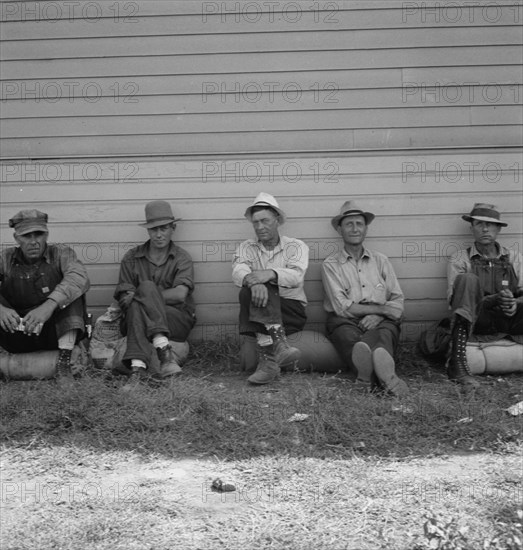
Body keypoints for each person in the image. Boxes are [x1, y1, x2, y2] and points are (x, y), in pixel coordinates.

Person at [321, 200, 408, 396]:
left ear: (365, 229)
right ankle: (384, 377)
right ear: (340, 230)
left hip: (382, 319)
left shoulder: (381, 261)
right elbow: (342, 306)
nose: (354, 229)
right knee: (350, 339)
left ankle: (367, 378)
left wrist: (380, 316)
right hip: (346, 319)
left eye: (359, 224)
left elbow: (397, 301)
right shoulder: (331, 264)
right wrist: (381, 310)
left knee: (384, 334)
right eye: (348, 224)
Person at [114, 200, 196, 388]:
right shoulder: (131, 257)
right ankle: (163, 352)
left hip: (175, 319)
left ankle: (136, 370)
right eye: (153, 229)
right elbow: (124, 299)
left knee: (145, 290)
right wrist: (139, 297)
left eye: (164, 228)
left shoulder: (182, 258)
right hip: (134, 320)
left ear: (172, 228)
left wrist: (143, 294)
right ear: (148, 231)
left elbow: (180, 295)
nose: (159, 235)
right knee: (136, 305)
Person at [0, 209, 90, 380]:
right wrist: (1, 310)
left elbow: (79, 277)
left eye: (39, 234)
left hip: (53, 332)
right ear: (16, 238)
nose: (34, 242)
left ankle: (64, 362)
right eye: (27, 236)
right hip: (18, 330)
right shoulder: (5, 258)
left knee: (71, 293)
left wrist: (48, 306)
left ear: (46, 235)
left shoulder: (62, 254)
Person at [232, 192, 309, 384]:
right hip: (259, 312)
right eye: (255, 222)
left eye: (264, 221)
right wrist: (255, 281)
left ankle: (268, 357)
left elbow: (296, 277)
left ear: (277, 220)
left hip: (290, 312)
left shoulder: (296, 246)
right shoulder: (246, 247)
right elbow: (237, 271)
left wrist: (269, 274)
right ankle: (278, 346)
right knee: (247, 287)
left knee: (265, 281)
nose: (260, 227)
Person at [446, 203, 523, 392]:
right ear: (471, 227)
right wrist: (494, 299)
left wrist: (515, 302)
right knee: (467, 279)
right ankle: (458, 366)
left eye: (490, 225)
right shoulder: (460, 259)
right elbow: (454, 303)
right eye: (479, 224)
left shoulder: (514, 257)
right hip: (479, 318)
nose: (485, 229)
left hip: (509, 318)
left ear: (498, 229)